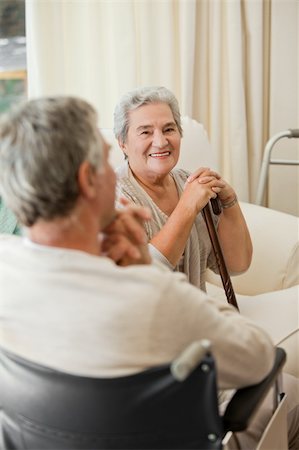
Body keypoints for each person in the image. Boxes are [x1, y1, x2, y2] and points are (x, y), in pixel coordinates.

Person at [0, 97, 298, 449]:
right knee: (290, 394)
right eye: (107, 160)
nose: (116, 171)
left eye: (169, 128)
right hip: (170, 437)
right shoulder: (151, 296)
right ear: (87, 180)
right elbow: (258, 357)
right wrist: (146, 272)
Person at [114, 86, 252, 291]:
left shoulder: (190, 182)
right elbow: (144, 278)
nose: (161, 142)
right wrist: (188, 206)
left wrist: (229, 200)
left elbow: (237, 265)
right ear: (123, 143)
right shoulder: (112, 197)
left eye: (169, 129)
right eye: (146, 132)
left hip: (193, 313)